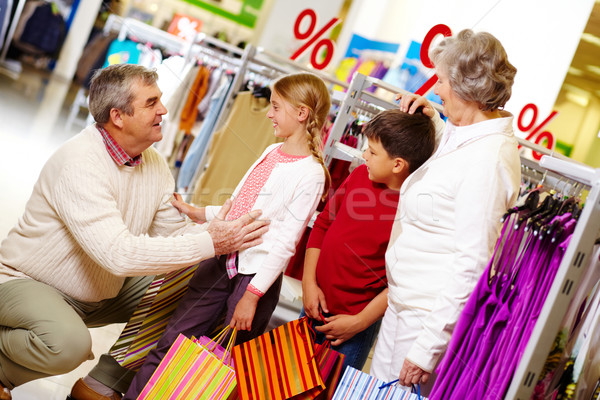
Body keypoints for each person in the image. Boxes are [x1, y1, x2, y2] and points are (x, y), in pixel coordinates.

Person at [0, 63, 269, 400]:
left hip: (97, 294)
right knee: (68, 343)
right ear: (118, 116)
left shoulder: (152, 162)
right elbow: (118, 255)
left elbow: (173, 234)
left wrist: (213, 233)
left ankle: (103, 384)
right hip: (26, 283)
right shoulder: (80, 162)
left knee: (196, 277)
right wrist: (208, 241)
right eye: (151, 103)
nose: (164, 110)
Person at [121, 72, 332, 399]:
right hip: (221, 261)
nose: (269, 113)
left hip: (253, 280)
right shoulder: (270, 151)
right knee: (174, 338)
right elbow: (238, 208)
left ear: (302, 113)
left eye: (276, 107)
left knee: (229, 366)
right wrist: (197, 212)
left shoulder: (311, 173)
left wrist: (252, 295)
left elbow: (285, 243)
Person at [369, 29, 521, 395]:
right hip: (404, 307)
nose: (435, 90)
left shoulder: (489, 159)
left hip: (424, 322)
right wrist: (434, 122)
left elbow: (472, 264)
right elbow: (451, 168)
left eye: (441, 81)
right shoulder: (465, 133)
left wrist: (426, 349)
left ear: (466, 88)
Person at [302, 109, 436, 372]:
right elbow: (322, 225)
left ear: (398, 164)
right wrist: (308, 283)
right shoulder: (359, 175)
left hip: (353, 327)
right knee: (283, 380)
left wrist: (360, 322)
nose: (364, 155)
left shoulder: (413, 210)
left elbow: (400, 282)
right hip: (313, 306)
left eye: (373, 152)